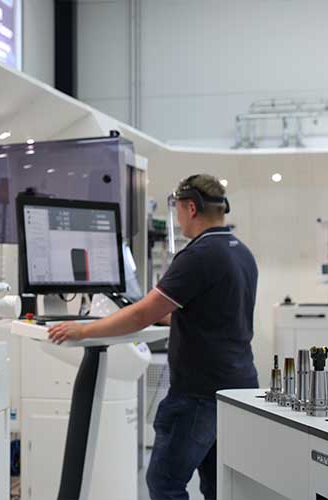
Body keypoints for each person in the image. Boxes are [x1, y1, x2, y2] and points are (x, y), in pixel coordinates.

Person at [48, 174, 259, 500]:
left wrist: (84, 329)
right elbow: (216, 313)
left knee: (164, 483)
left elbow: (139, 314)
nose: (177, 218)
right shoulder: (241, 252)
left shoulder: (198, 254)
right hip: (237, 387)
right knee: (219, 487)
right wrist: (166, 313)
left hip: (198, 395)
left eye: (178, 209)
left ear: (191, 207)